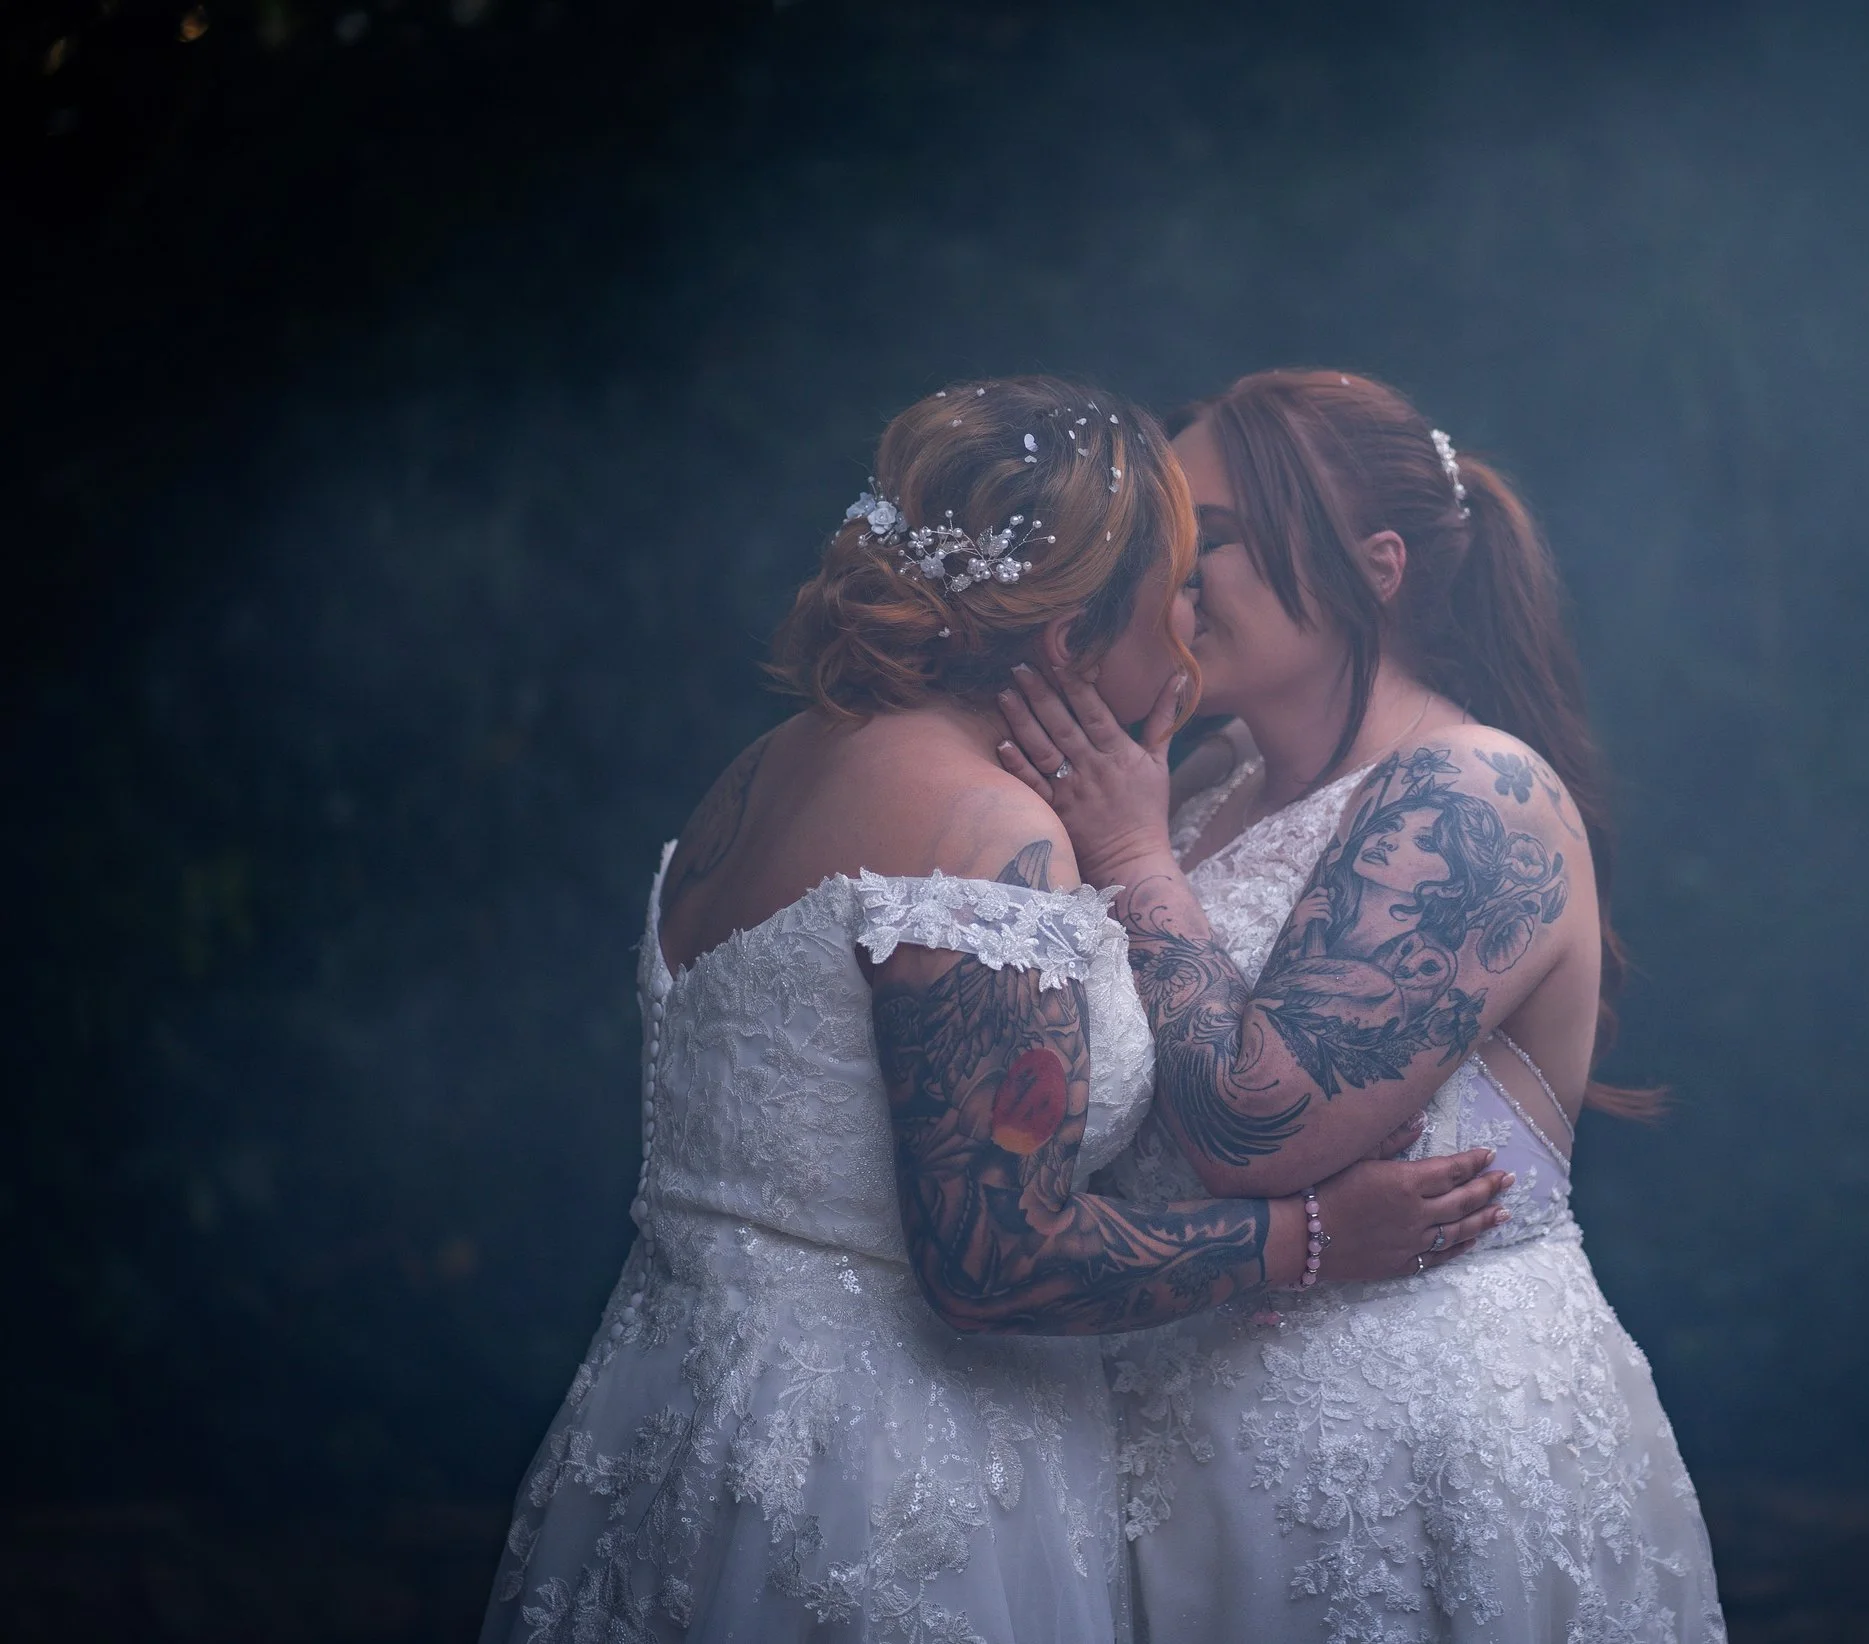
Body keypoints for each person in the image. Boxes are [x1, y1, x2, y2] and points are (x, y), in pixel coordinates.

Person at [480, 377, 1511, 1643]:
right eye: (1171, 594)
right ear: (1075, 635)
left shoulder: (768, 766)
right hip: (877, 1468)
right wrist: (1304, 1239)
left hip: (672, 1396)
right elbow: (993, 1260)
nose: (1190, 629)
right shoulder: (984, 830)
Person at [997, 369, 1726, 1642]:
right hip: (1176, 1449)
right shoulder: (1201, 786)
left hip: (1406, 1455)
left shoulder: (1475, 793)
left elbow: (1253, 1130)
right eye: (1158, 547)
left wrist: (1126, 863)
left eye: (1206, 541)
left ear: (1374, 566)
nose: (1167, 585)